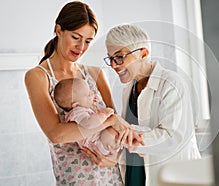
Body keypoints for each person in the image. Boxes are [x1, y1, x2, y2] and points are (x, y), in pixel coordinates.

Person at [24, 2, 141, 185]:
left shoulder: (94, 73)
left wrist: (115, 159)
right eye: (76, 37)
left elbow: (115, 129)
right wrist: (109, 120)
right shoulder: (39, 76)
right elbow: (57, 134)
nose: (81, 47)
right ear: (58, 30)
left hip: (110, 176)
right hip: (75, 180)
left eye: (87, 41)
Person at [104, 24, 201, 186]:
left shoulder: (172, 83)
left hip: (173, 177)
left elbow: (174, 138)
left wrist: (126, 132)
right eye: (111, 58)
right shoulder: (128, 90)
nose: (114, 65)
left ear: (143, 53)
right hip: (136, 175)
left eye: (120, 57)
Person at [53, 78, 120, 159]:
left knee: (114, 132)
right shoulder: (76, 112)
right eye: (88, 95)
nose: (92, 94)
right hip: (97, 144)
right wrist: (104, 114)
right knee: (111, 132)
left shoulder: (82, 108)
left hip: (101, 140)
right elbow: (89, 123)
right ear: (76, 105)